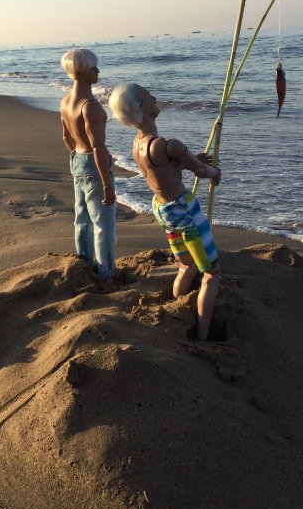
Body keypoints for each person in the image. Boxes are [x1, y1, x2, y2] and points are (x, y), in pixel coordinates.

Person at [108, 82, 222, 340]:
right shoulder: (169, 145)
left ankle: (176, 308)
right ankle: (203, 335)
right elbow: (202, 172)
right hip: (184, 209)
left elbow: (162, 172)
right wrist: (214, 173)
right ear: (141, 107)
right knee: (211, 274)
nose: (155, 97)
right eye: (149, 96)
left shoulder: (138, 145)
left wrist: (192, 161)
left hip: (162, 209)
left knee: (186, 266)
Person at [60, 48, 116, 287]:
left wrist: (76, 157)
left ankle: (84, 261)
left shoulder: (65, 101)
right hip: (92, 164)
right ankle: (106, 273)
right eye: (94, 68)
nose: (98, 71)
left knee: (82, 216)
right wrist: (106, 184)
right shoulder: (89, 105)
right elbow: (99, 148)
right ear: (82, 73)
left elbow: (66, 137)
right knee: (103, 223)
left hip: (76, 160)